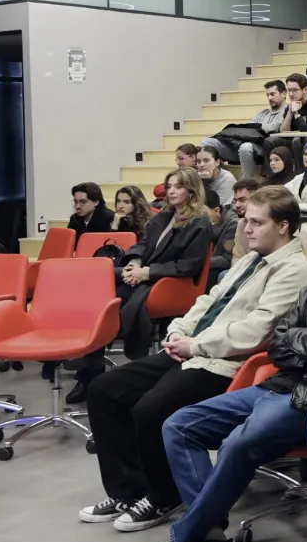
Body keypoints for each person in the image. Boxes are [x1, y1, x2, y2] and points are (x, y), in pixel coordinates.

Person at [114, 205, 307, 542]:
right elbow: (279, 342)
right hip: (284, 383)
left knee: (239, 443)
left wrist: (302, 342)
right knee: (179, 425)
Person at [80, 186, 307, 540]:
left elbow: (257, 330)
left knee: (149, 410)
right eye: (246, 220)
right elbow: (210, 300)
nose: (246, 228)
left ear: (282, 226)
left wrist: (196, 345)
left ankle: (164, 496)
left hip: (229, 363)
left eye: (256, 222)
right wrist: (180, 331)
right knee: (104, 389)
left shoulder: (295, 269)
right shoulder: (252, 259)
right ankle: (127, 491)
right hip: (195, 349)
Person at [67, 169, 218, 404]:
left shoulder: (200, 221)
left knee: (109, 299)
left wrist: (145, 273)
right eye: (169, 186)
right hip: (145, 273)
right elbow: (144, 243)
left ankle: (90, 366)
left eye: (178, 187)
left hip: (169, 283)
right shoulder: (166, 215)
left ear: (191, 191)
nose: (171, 191)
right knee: (98, 279)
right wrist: (135, 263)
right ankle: (89, 360)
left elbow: (187, 266)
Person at [201, 80, 289, 180]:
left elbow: (275, 127)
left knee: (246, 147)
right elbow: (249, 128)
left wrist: (256, 127)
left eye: (272, 94)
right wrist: (257, 127)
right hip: (244, 145)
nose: (269, 98)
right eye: (267, 95)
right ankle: (214, 177)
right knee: (207, 142)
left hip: (261, 148)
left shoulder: (287, 111)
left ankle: (246, 182)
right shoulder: (263, 113)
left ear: (283, 94)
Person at [202, 190, 239, 289]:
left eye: (203, 214)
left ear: (217, 210)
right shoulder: (203, 221)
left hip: (219, 266)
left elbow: (227, 259)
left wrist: (202, 262)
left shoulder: (232, 224)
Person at [228, 179, 261, 265]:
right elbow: (237, 256)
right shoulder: (241, 223)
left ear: (257, 199)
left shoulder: (268, 224)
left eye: (242, 200)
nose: (237, 205)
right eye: (235, 201)